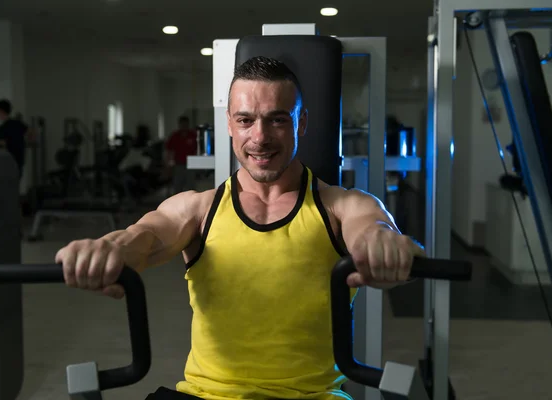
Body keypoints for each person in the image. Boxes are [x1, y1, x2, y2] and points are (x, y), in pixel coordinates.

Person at [55, 56, 425, 400]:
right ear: (229, 124)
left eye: (278, 119)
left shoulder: (343, 206)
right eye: (246, 120)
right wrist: (109, 249)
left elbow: (376, 231)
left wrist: (385, 245)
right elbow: (145, 237)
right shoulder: (198, 209)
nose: (260, 137)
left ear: (303, 122)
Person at [0, 99, 28, 179]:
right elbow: (32, 134)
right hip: (19, 161)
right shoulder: (18, 124)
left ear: (1, 111)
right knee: (15, 185)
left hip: (8, 162)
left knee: (8, 186)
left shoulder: (1, 129)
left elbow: (2, 145)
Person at [166, 116, 197, 194]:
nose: (184, 126)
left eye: (185, 124)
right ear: (179, 124)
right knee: (177, 186)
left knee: (190, 188)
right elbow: (169, 151)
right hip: (178, 165)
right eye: (182, 124)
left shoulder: (193, 135)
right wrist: (168, 165)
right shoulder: (174, 136)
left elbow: (198, 149)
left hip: (191, 165)